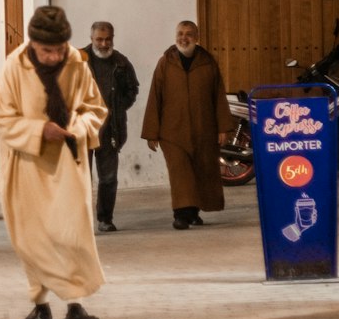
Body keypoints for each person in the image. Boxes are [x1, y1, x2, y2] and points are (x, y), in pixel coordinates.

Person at [0, 6, 108, 319]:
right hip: (26, 164)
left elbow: (94, 108)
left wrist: (78, 127)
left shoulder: (77, 63)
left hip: (67, 162)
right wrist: (41, 131)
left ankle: (75, 307)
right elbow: (0, 118)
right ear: (32, 45)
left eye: (59, 49)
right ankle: (41, 307)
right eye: (47, 51)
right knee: (31, 238)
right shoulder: (14, 67)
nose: (55, 57)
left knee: (69, 234)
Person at [141, 20, 232, 230]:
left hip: (204, 129)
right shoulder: (165, 62)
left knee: (201, 171)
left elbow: (218, 96)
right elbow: (155, 97)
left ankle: (193, 212)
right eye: (180, 33)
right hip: (172, 132)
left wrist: (222, 128)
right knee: (180, 173)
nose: (184, 37)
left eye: (189, 34)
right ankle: (180, 215)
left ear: (197, 38)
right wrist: (151, 132)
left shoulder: (208, 63)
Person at [80, 21, 139, 233]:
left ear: (112, 38)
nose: (104, 44)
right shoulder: (77, 61)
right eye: (99, 39)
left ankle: (105, 219)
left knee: (108, 178)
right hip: (81, 132)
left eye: (108, 39)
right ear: (91, 38)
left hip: (110, 131)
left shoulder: (121, 63)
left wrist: (116, 108)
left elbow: (132, 90)